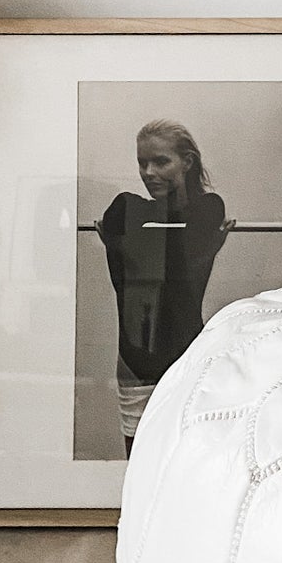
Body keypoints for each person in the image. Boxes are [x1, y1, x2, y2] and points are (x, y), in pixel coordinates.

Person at [97, 119, 232, 453]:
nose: (149, 172)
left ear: (186, 162)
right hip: (134, 362)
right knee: (140, 464)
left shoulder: (208, 208)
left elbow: (177, 263)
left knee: (182, 462)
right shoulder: (126, 207)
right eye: (143, 162)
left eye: (161, 161)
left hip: (186, 357)